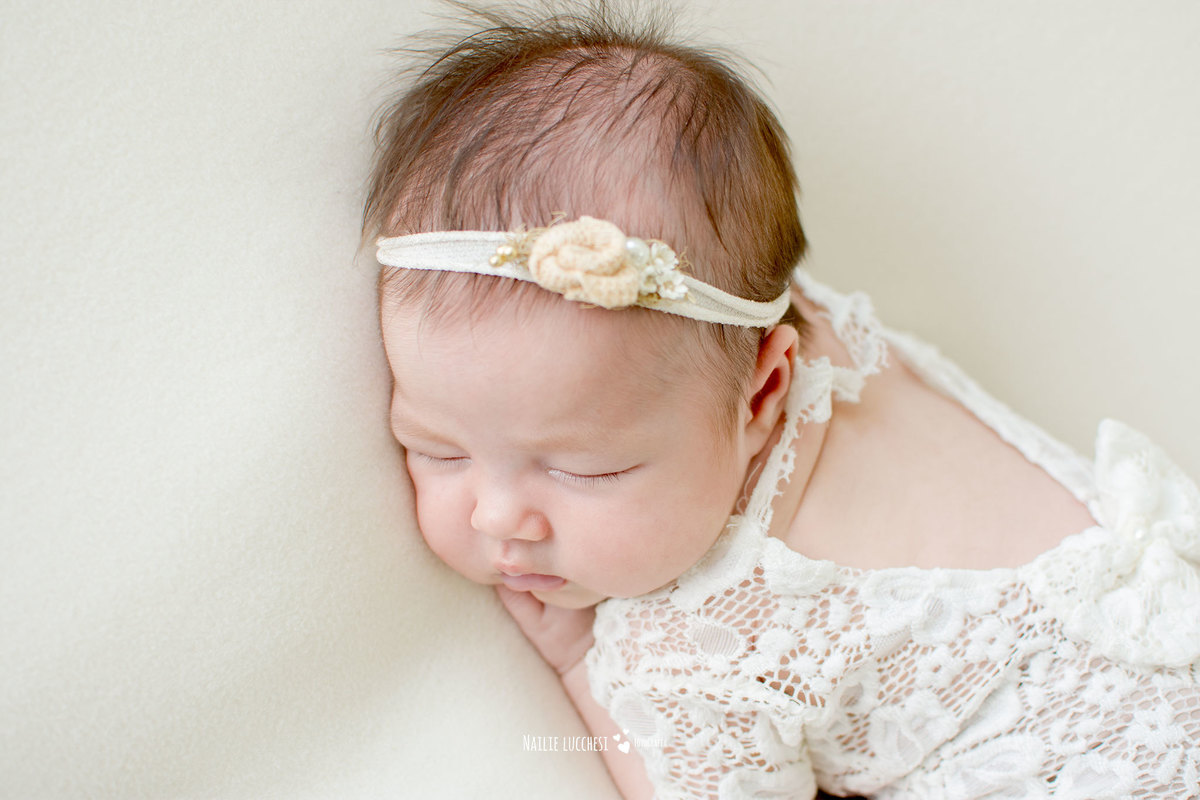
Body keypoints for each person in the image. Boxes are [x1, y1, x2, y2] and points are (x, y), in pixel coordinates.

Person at [363, 3, 1200, 797]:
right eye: (436, 448)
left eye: (587, 470)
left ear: (766, 388)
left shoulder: (698, 649)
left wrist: (580, 661)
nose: (498, 516)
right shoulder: (830, 331)